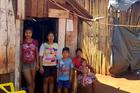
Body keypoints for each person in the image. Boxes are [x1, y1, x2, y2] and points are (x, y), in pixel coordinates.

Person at [22, 27, 39, 93]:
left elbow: (37, 53)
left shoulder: (35, 42)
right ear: (24, 33)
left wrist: (37, 64)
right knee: (29, 81)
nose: (28, 34)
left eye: (29, 33)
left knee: (33, 80)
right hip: (25, 64)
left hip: (33, 63)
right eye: (26, 33)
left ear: (32, 34)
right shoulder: (22, 41)